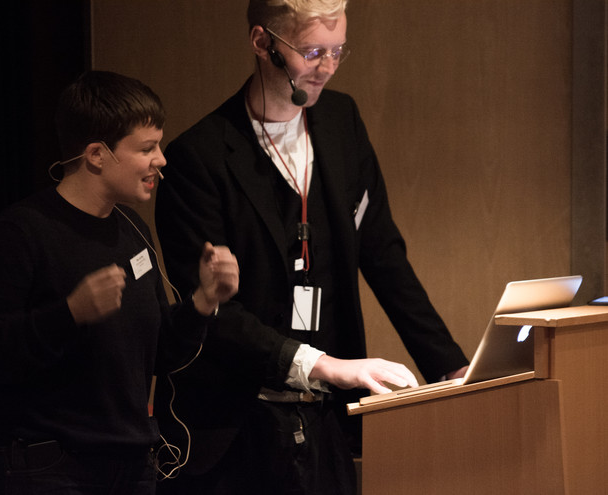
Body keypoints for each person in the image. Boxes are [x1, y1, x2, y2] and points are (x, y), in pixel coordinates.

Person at [154, 1, 469, 494]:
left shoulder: (341, 120)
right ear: (262, 43)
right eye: (313, 52)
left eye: (338, 51)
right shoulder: (198, 158)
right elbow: (214, 315)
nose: (328, 67)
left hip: (324, 419)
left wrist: (450, 366)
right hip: (235, 429)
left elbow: (383, 254)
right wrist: (324, 365)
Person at [0, 70, 239, 495]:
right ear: (96, 154)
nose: (161, 159)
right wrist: (70, 314)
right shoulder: (23, 232)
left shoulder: (133, 230)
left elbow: (159, 354)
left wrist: (203, 300)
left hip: (132, 467)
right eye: (146, 148)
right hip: (50, 470)